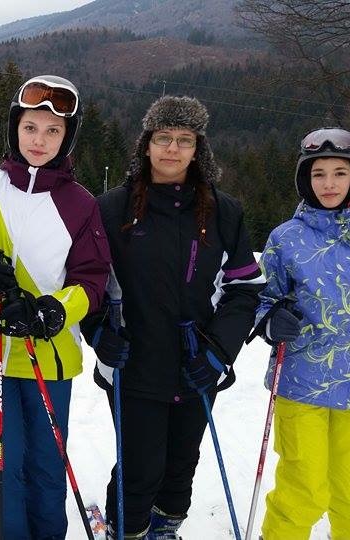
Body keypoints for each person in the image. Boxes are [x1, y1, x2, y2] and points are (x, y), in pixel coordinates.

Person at [80, 95, 264, 539]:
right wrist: (99, 332)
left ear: (198, 150)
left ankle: (165, 527)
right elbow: (88, 280)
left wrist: (219, 352)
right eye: (163, 137)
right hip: (133, 361)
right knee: (141, 466)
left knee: (182, 463)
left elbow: (243, 289)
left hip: (197, 362)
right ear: (146, 145)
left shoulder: (223, 211)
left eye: (185, 139)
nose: (173, 148)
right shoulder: (111, 208)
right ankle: (128, 530)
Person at [0, 75, 111, 540]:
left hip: (50, 355)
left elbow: (92, 279)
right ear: (15, 128)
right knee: (0, 462)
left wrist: (53, 310)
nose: (39, 140)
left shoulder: (80, 204)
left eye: (52, 131)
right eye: (30, 127)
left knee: (46, 463)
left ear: (68, 137)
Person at [254, 127, 350, 540]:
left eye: (339, 172)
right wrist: (271, 318)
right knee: (304, 488)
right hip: (302, 381)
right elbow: (261, 297)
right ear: (306, 178)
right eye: (318, 174)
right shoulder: (287, 238)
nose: (328, 183)